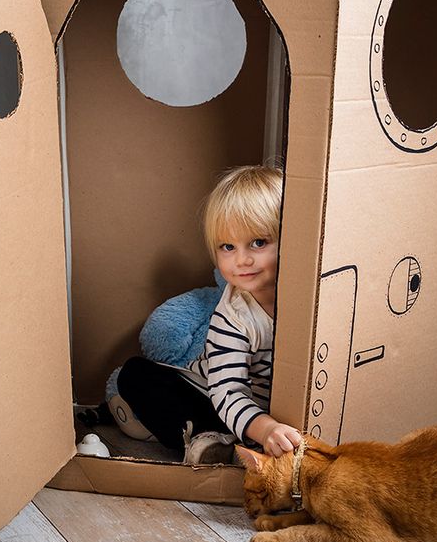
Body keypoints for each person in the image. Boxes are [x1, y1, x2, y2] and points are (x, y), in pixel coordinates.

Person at [116, 164, 303, 464]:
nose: (242, 260)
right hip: (213, 399)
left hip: (269, 413)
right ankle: (207, 441)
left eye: (259, 242)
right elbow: (227, 393)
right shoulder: (233, 317)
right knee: (137, 375)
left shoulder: (306, 299)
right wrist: (266, 429)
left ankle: (239, 442)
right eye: (228, 246)